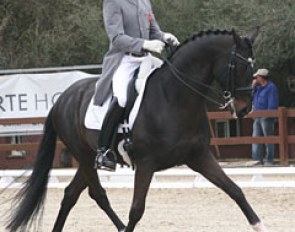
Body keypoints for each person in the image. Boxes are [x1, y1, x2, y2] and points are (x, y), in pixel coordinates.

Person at [93, 0, 180, 171]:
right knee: (123, 98)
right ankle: (103, 151)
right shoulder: (113, 2)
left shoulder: (144, 2)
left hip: (145, 59)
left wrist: (163, 36)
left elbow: (153, 31)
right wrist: (144, 44)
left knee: (170, 81)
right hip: (124, 60)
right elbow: (116, 37)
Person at [251, 68, 279, 166]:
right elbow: (250, 98)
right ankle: (257, 159)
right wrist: (253, 87)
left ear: (261, 78)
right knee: (256, 138)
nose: (255, 79)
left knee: (268, 139)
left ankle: (269, 160)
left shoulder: (271, 87)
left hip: (266, 117)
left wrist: (268, 115)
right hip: (257, 116)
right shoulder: (257, 88)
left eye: (257, 77)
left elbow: (272, 103)